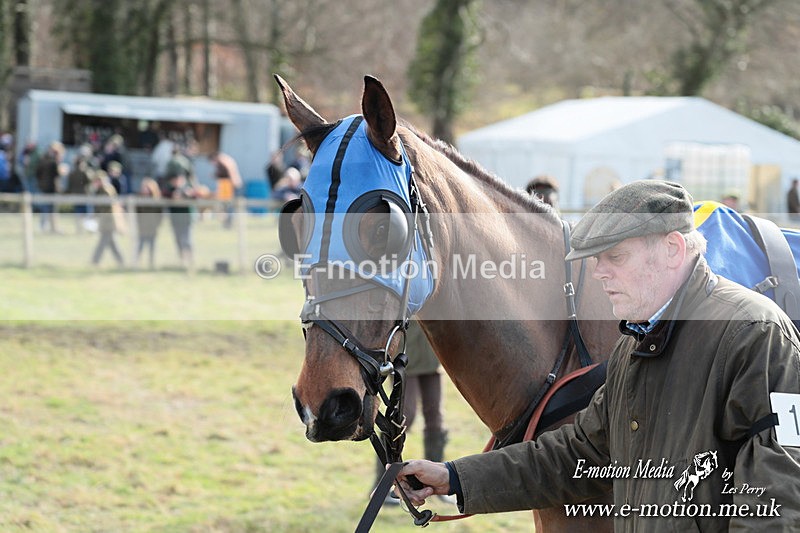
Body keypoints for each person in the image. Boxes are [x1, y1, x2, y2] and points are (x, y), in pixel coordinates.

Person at [397, 180, 800, 531]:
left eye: (615, 257)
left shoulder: (754, 334)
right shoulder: (635, 343)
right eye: (596, 259)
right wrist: (454, 477)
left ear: (673, 250)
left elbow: (777, 499)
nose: (599, 272)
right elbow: (581, 454)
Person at [375, 319, 451, 506]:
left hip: (431, 350)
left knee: (435, 417)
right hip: (406, 354)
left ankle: (437, 483)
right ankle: (383, 485)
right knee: (404, 415)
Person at [89, 171, 124, 267]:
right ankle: (121, 262)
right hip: (106, 221)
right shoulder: (102, 190)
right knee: (112, 244)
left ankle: (94, 261)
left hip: (108, 221)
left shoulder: (105, 190)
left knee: (103, 243)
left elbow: (104, 206)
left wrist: (95, 215)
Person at [208, 151, 243, 229]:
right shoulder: (226, 159)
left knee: (228, 206)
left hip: (230, 185)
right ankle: (228, 223)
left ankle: (228, 224)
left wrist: (215, 175)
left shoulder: (223, 161)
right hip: (232, 185)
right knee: (229, 206)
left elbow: (229, 173)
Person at [134, 178, 164, 270]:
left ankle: (151, 264)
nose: (145, 190)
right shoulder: (139, 199)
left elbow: (160, 215)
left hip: (152, 227)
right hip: (142, 227)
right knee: (140, 245)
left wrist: (156, 224)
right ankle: (136, 263)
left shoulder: (156, 200)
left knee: (152, 246)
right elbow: (137, 213)